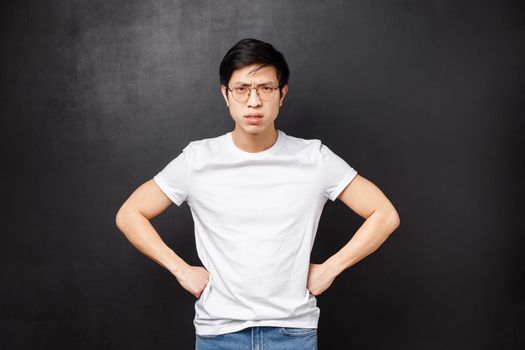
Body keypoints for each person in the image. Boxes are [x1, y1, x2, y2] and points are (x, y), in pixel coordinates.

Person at [115, 38, 400, 350]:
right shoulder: (198, 159)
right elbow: (130, 214)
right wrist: (180, 270)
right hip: (218, 334)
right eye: (242, 89)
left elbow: (384, 215)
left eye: (265, 88)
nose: (254, 101)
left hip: (293, 332)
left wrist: (331, 269)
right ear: (226, 94)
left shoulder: (313, 157)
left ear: (282, 95)